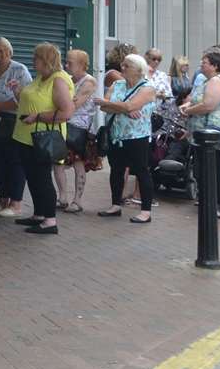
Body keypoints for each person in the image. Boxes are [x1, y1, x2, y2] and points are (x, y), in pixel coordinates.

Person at [12, 43, 74, 235]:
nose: (33, 61)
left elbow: (67, 112)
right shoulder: (40, 77)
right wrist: (17, 92)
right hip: (25, 136)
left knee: (42, 179)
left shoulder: (59, 80)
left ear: (46, 60)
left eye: (36, 58)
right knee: (32, 177)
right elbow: (30, 101)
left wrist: (38, 117)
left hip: (43, 138)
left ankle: (50, 220)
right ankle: (39, 214)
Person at [95, 53, 159, 222]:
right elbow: (104, 109)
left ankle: (146, 211)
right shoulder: (117, 84)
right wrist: (124, 109)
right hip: (116, 135)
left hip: (137, 136)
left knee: (142, 171)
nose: (122, 68)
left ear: (139, 70)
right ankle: (115, 205)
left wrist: (118, 105)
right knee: (116, 170)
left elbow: (122, 104)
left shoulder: (147, 88)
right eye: (122, 65)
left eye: (126, 66)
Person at [182, 50, 220, 219]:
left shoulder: (216, 80)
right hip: (203, 134)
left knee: (219, 170)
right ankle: (211, 200)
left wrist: (189, 111)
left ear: (215, 66)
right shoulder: (207, 81)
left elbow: (208, 105)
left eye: (205, 62)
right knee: (203, 169)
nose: (201, 64)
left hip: (215, 134)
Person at [0, 37, 32, 218]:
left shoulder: (20, 70)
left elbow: (25, 99)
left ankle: (16, 203)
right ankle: (2, 200)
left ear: (11, 51)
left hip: (12, 125)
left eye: (5, 50)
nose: (2, 53)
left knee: (15, 163)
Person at [53, 49, 97, 215]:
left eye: (70, 62)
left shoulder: (89, 82)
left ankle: (77, 200)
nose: (66, 65)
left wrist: (60, 102)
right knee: (58, 163)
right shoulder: (68, 80)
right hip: (63, 126)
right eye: (66, 61)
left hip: (79, 129)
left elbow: (73, 104)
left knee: (79, 164)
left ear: (82, 64)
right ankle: (62, 197)